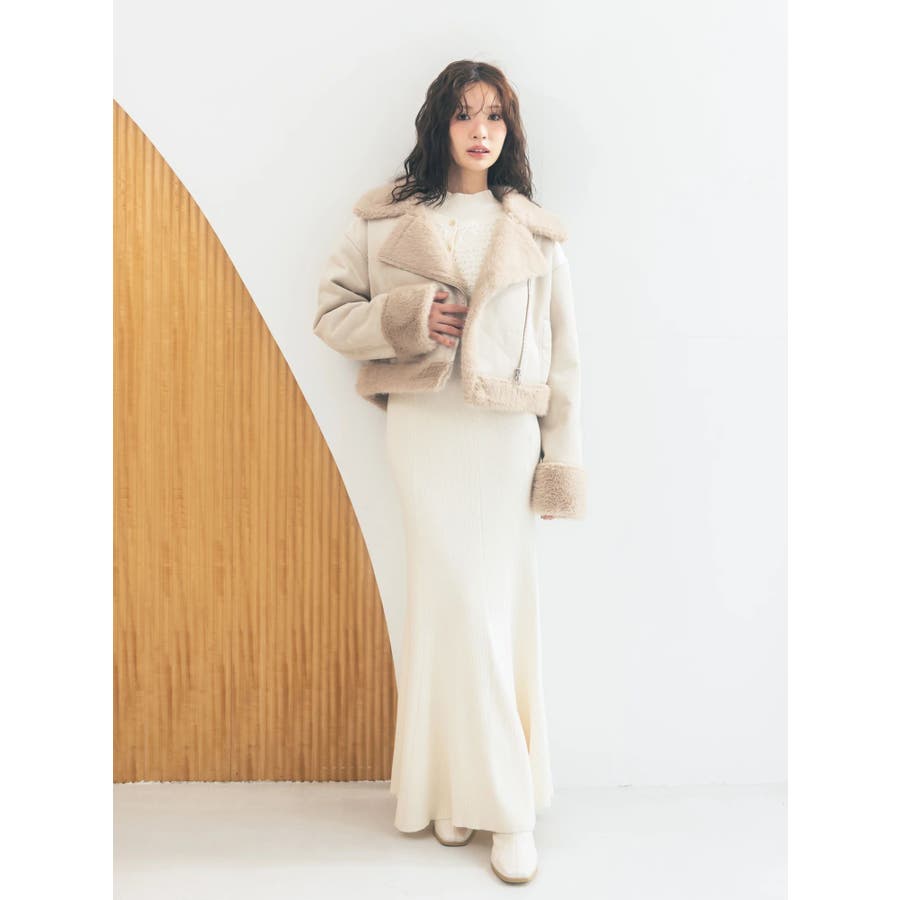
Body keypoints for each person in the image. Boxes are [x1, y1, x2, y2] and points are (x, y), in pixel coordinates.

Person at [312, 59, 586, 885]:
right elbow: (331, 313)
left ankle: (503, 807)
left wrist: (560, 464)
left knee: (492, 615)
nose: (480, 130)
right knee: (447, 612)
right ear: (440, 124)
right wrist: (408, 316)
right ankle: (458, 790)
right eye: (465, 114)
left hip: (503, 440)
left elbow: (565, 363)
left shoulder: (534, 232)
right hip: (424, 433)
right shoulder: (385, 219)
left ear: (509, 131)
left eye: (494, 116)